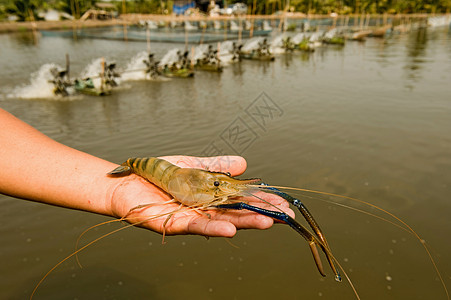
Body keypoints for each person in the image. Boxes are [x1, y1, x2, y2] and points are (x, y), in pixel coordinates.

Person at [0, 108, 293, 238]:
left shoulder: (209, 185)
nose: (222, 189)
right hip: (140, 165)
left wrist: (224, 187)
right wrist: (111, 189)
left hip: (167, 172)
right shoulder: (160, 178)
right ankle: (130, 166)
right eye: (218, 185)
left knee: (255, 196)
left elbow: (217, 186)